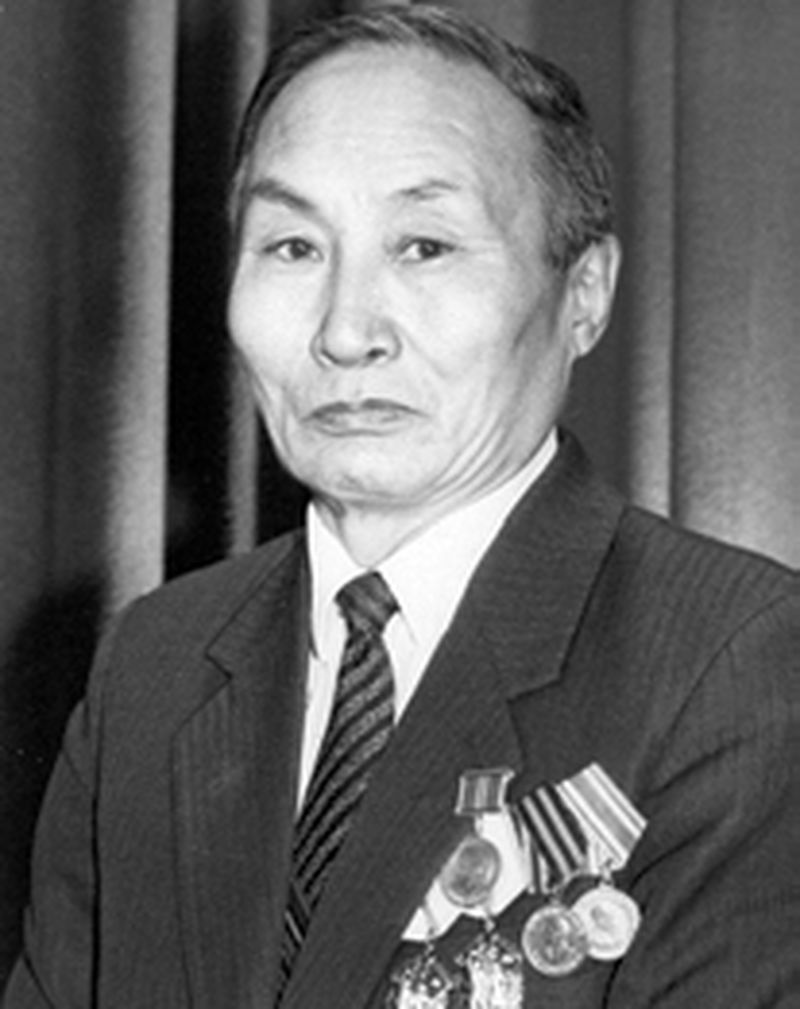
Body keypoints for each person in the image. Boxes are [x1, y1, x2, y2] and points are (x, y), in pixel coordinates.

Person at [4, 6, 800, 1008]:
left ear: (584, 293)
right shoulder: (156, 663)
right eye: (293, 246)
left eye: (423, 245)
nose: (346, 331)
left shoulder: (733, 664)